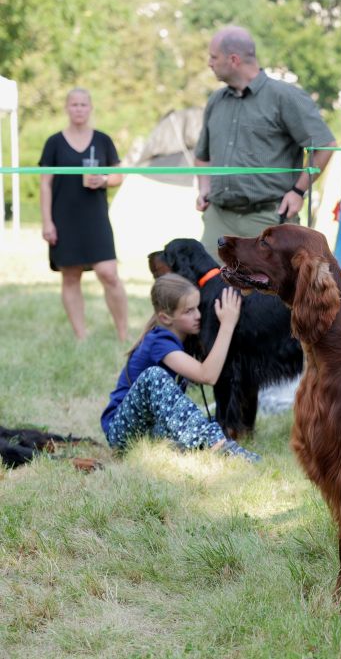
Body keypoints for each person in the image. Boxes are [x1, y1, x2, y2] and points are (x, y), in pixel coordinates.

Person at [195, 25, 337, 260]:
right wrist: (204, 188)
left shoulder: (284, 97)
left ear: (233, 59)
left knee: (268, 294)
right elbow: (202, 155)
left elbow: (325, 145)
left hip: (268, 220)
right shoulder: (216, 100)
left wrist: (297, 191)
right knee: (210, 291)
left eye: (213, 57)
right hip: (219, 219)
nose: (209, 63)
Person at [100, 273, 260, 463]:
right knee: (154, 376)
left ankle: (201, 445)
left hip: (150, 431)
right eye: (188, 311)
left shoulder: (180, 338)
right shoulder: (159, 341)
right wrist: (227, 324)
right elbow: (207, 375)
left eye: (197, 308)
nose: (198, 316)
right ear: (165, 318)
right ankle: (217, 446)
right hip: (121, 433)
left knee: (188, 421)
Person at [39, 88, 128, 341]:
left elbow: (119, 175)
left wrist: (103, 179)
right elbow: (45, 184)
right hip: (64, 218)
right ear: (67, 108)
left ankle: (123, 334)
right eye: (74, 104)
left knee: (109, 273)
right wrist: (47, 222)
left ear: (90, 108)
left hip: (95, 218)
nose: (79, 109)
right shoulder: (54, 143)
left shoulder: (103, 140)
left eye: (83, 104)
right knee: (70, 275)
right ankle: (81, 337)